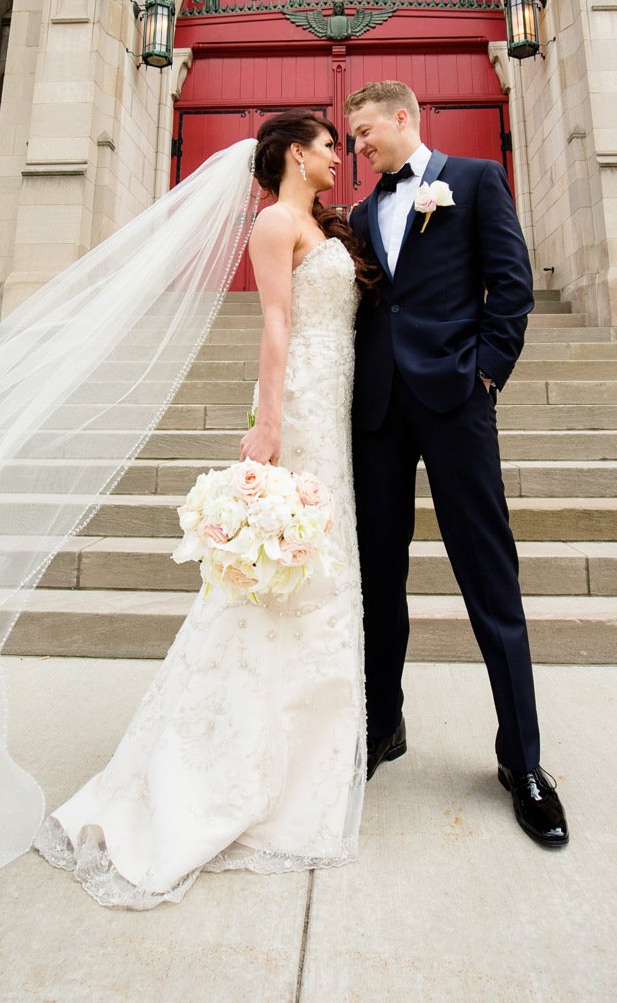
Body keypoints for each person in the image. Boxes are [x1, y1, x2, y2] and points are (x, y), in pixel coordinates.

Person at [34, 109, 370, 904]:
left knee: (324, 569)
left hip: (337, 397)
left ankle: (308, 742)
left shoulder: (320, 225)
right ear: (294, 152)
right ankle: (233, 752)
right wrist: (270, 422)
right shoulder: (273, 223)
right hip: (301, 403)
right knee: (281, 576)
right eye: (328, 145)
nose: (337, 157)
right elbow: (278, 321)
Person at [345, 80, 569, 848]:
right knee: (379, 575)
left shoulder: (474, 180)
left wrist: (486, 374)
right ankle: (383, 724)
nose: (359, 146)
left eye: (367, 131)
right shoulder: (359, 213)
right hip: (375, 412)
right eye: (352, 138)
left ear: (406, 117)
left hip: (456, 400)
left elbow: (511, 285)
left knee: (488, 571)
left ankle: (523, 760)